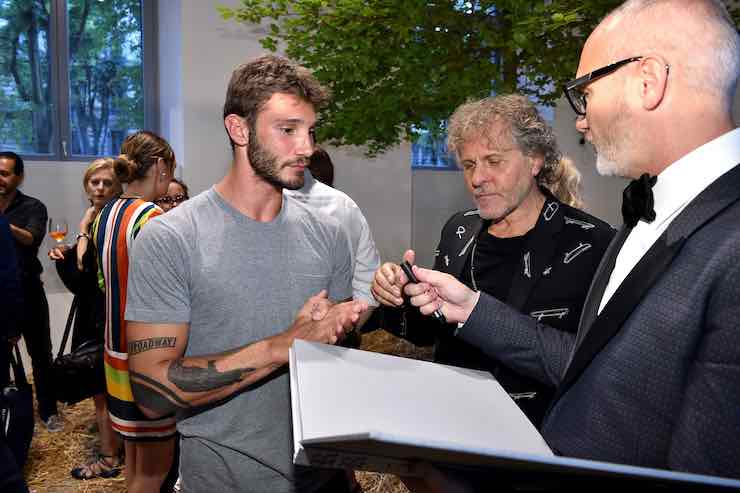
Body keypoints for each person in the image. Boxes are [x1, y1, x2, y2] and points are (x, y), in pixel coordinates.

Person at [403, 0, 740, 483]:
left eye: (585, 93)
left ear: (648, 81)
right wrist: (471, 310)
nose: (580, 121)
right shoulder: (648, 212)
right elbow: (584, 366)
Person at [123, 54, 367, 493]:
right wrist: (282, 346)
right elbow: (152, 391)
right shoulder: (171, 237)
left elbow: (331, 371)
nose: (307, 148)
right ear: (239, 129)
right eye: (287, 130)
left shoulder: (329, 234)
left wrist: (340, 331)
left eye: (310, 132)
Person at [371, 94, 614, 426]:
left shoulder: (593, 242)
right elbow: (433, 333)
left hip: (538, 449)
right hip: (452, 432)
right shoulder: (460, 231)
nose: (477, 178)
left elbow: (591, 366)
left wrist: (478, 313)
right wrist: (400, 295)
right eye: (469, 164)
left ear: (535, 160)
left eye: (494, 161)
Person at [92, 131, 177, 493]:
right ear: (159, 166)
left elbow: (102, 281)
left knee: (136, 467)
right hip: (147, 356)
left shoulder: (106, 212)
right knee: (153, 473)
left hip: (115, 353)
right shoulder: (152, 217)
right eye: (171, 170)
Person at [48, 158, 124, 479]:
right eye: (95, 182)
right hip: (94, 315)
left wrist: (80, 239)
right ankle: (114, 454)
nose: (101, 188)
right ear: (86, 186)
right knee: (103, 392)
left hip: (109, 317)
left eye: (107, 182)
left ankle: (111, 458)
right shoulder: (92, 220)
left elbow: (94, 275)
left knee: (107, 393)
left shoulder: (109, 221)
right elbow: (81, 283)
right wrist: (64, 257)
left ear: (118, 186)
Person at [0, 151, 60, 432]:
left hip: (28, 290)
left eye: (4, 173)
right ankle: (8, 414)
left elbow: (31, 238)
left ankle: (48, 411)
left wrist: (2, 225)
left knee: (41, 353)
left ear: (18, 177)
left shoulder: (33, 207)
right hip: (2, 293)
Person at [286, 145, 381, 321]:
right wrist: (344, 331)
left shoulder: (273, 204)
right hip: (336, 332)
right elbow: (368, 287)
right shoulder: (347, 207)